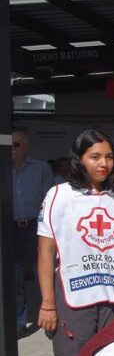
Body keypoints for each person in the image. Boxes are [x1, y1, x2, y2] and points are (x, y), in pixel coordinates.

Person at [37, 129, 114, 356]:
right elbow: (45, 251)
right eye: (95, 156)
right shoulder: (59, 195)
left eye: (109, 157)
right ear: (79, 158)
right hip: (76, 296)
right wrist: (48, 303)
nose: (104, 163)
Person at [12, 126, 53, 337]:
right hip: (11, 229)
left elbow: (50, 200)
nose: (12, 149)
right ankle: (20, 321)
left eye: (16, 145)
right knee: (16, 278)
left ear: (26, 147)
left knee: (42, 275)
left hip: (36, 228)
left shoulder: (41, 168)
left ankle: (49, 315)